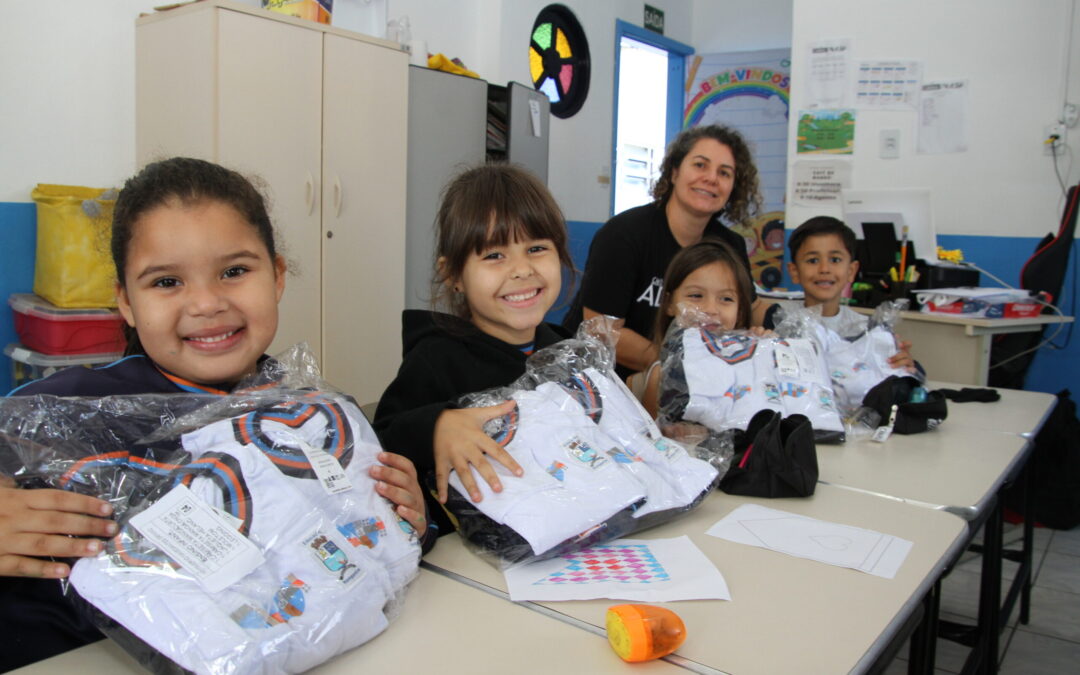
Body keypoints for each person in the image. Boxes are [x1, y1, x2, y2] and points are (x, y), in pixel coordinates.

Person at [0, 157, 430, 671]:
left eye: (233, 271)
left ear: (276, 278)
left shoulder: (306, 410)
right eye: (165, 282)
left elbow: (346, 550)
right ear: (127, 303)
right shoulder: (69, 407)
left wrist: (405, 521)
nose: (205, 303)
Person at [374, 164, 574, 537]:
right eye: (494, 255)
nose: (521, 269)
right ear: (453, 276)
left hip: (573, 533)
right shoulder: (437, 358)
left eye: (536, 248)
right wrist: (437, 425)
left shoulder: (567, 350)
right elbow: (382, 440)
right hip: (471, 559)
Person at [564, 124, 767, 380]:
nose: (711, 178)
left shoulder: (730, 246)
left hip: (686, 381)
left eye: (724, 173)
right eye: (700, 165)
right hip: (602, 379)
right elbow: (601, 331)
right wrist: (677, 365)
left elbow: (751, 306)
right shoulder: (624, 235)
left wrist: (786, 330)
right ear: (674, 172)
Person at [637, 238, 761, 417]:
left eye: (726, 299)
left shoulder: (752, 365)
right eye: (696, 296)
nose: (711, 309)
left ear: (740, 311)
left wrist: (767, 355)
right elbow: (655, 439)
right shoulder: (661, 375)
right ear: (669, 304)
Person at [783, 216, 915, 370]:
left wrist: (904, 365)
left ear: (851, 271)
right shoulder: (778, 322)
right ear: (794, 271)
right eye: (813, 260)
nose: (824, 269)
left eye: (835, 260)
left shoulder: (868, 331)